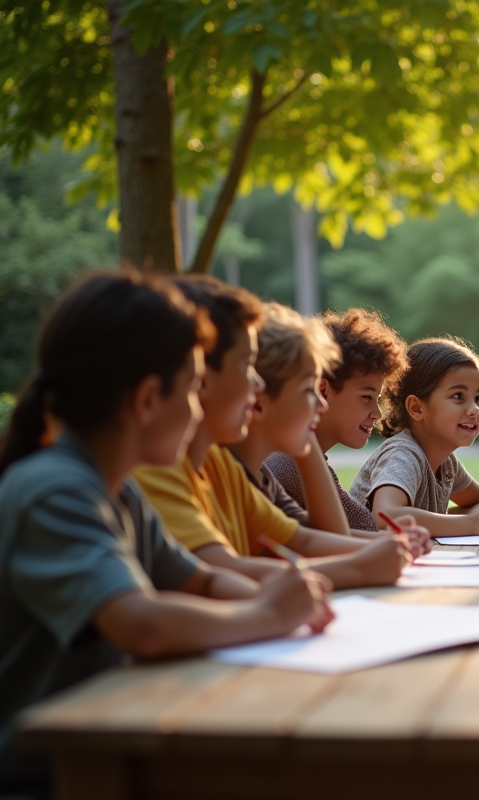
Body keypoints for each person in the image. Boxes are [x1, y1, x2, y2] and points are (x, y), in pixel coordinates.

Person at [0, 273, 331, 795]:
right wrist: (267, 615)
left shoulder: (119, 491)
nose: (198, 409)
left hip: (112, 744)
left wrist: (286, 600)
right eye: (194, 388)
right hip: (46, 778)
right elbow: (142, 625)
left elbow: (200, 581)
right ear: (149, 400)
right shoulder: (54, 490)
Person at [133, 276, 417, 589]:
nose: (254, 385)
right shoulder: (163, 468)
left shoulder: (224, 469)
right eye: (245, 367)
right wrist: (362, 566)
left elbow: (309, 541)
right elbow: (217, 574)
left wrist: (387, 550)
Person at [226, 303, 385, 537]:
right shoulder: (284, 465)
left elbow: (322, 538)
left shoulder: (263, 475)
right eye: (366, 397)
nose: (378, 413)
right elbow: (346, 534)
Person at [350, 337, 479, 535]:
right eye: (458, 396)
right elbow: (385, 516)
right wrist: (470, 523)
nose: (474, 410)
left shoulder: (447, 464)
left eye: (478, 399)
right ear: (416, 408)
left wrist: (477, 518)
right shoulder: (403, 453)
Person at [266, 308, 408, 532]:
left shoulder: (299, 456)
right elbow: (365, 527)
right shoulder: (290, 462)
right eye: (366, 397)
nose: (377, 413)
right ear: (322, 390)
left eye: (377, 399)